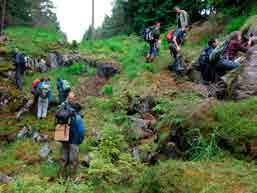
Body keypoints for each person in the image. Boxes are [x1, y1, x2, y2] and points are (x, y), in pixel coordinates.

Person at [58, 92, 85, 178]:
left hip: (64, 137)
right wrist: (79, 141)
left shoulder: (64, 109)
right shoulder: (77, 116)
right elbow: (81, 131)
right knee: (73, 160)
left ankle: (61, 177)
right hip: (74, 140)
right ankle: (72, 178)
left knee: (63, 158)